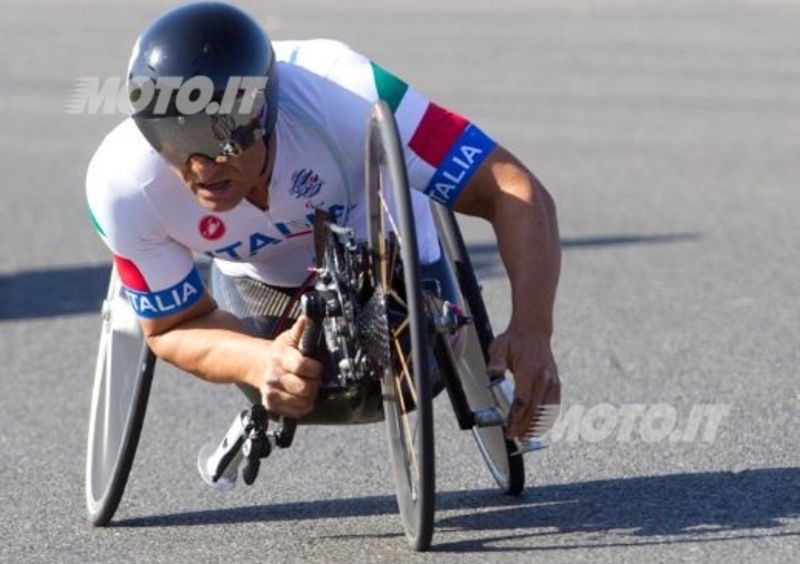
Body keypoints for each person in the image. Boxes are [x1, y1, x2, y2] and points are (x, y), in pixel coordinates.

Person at [86, 2, 561, 439]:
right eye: (175, 141)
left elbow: (514, 189)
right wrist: (257, 360)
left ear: (265, 114)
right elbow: (170, 328)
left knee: (421, 366)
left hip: (383, 234)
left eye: (224, 138)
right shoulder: (123, 182)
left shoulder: (348, 91)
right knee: (292, 388)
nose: (203, 168)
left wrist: (533, 329)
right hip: (258, 276)